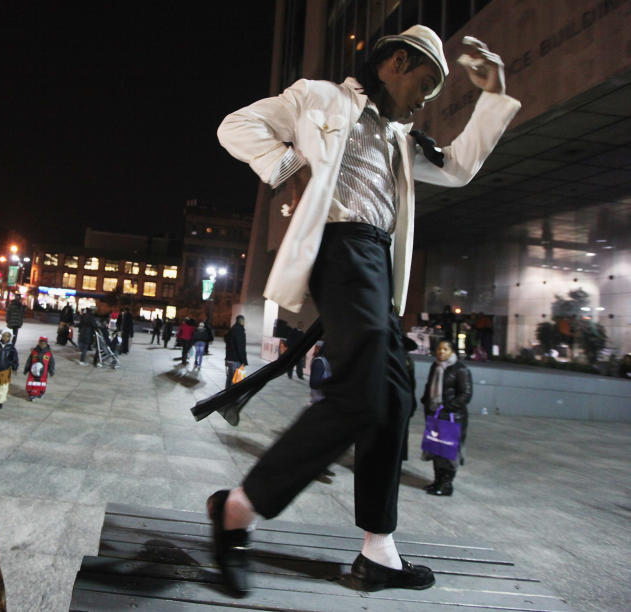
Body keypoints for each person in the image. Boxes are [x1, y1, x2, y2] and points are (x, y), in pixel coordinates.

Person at [208, 26, 519, 595]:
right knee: (361, 391)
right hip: (338, 245)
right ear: (394, 63)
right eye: (424, 82)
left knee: (395, 394)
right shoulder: (320, 98)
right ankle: (237, 509)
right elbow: (236, 126)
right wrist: (291, 168)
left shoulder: (404, 138)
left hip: (375, 260)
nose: (426, 97)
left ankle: (378, 549)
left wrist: (493, 95)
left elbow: (457, 168)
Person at [420, 340, 472, 496]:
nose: (441, 352)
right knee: (436, 448)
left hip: (452, 416)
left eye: (445, 349)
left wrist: (448, 406)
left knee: (448, 451)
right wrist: (426, 403)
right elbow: (429, 387)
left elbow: (466, 394)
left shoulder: (460, 369)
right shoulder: (435, 367)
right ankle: (437, 481)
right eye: (439, 349)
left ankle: (446, 484)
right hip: (435, 415)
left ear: (452, 352)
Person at [24, 336, 54, 400]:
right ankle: (31, 393)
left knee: (41, 383)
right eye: (41, 343)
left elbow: (51, 362)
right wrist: (26, 369)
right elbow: (29, 360)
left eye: (44, 343)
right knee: (32, 382)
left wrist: (51, 370)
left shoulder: (48, 353)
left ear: (46, 344)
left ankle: (40, 392)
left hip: (43, 372)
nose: (42, 345)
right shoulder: (34, 352)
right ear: (39, 343)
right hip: (33, 372)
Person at [223, 315, 248, 389]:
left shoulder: (232, 330)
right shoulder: (240, 331)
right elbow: (240, 347)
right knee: (236, 380)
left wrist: (226, 358)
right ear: (242, 321)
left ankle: (225, 395)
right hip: (236, 359)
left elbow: (228, 345)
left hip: (230, 359)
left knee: (229, 378)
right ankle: (231, 396)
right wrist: (243, 360)